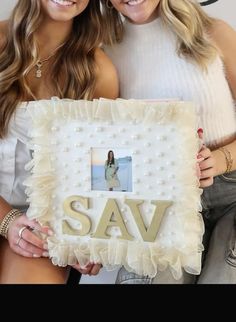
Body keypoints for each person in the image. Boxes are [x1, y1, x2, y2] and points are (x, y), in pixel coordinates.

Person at [101, 0, 236, 284]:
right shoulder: (104, 54)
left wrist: (222, 158)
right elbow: (108, 151)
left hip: (231, 192)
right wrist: (99, 228)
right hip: (160, 198)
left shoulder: (215, 32)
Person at [0, 0, 118, 284]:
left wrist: (90, 234)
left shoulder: (99, 71)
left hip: (43, 221)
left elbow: (105, 171)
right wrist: (7, 220)